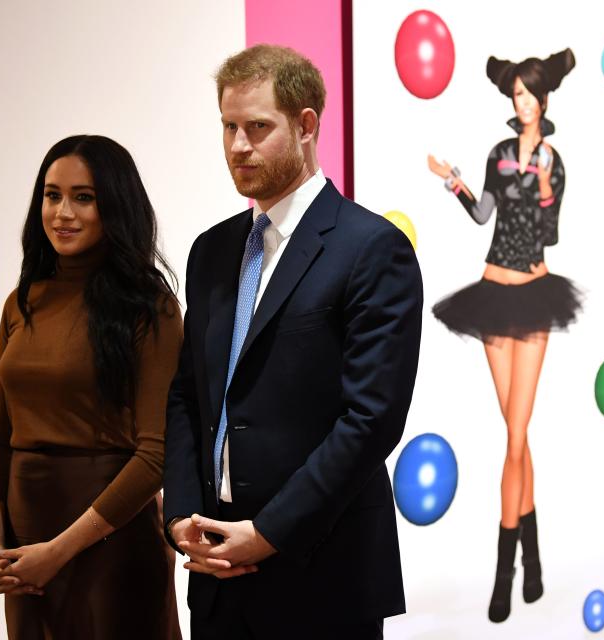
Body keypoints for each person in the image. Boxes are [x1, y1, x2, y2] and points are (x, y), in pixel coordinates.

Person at [163, 44, 422, 639]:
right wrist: (179, 514)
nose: (237, 146)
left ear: (307, 126)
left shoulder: (371, 248)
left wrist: (270, 532)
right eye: (228, 127)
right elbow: (187, 396)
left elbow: (371, 420)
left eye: (257, 127)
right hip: (217, 573)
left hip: (322, 574)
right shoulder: (211, 251)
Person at [0, 135, 182, 639]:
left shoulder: (149, 306)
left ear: (114, 205)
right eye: (52, 195)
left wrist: (59, 551)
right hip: (25, 550)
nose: (63, 212)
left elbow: (154, 456)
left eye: (83, 197)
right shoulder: (20, 301)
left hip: (110, 547)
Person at [427, 49, 581, 623]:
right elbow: (482, 215)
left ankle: (505, 572)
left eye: (527, 94)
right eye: (513, 95)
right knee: (517, 433)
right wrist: (456, 184)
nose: (520, 103)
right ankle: (534, 561)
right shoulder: (497, 154)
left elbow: (552, 234)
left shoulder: (554, 161)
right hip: (493, 290)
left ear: (543, 100)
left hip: (537, 290)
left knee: (516, 435)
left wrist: (543, 188)